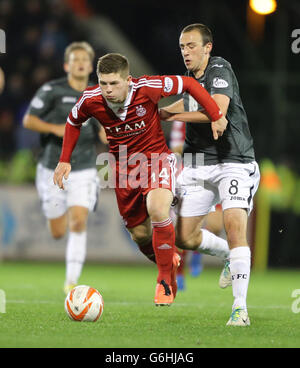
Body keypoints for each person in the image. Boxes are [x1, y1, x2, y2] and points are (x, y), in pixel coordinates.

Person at [53, 52, 228, 306]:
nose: (108, 90)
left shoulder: (148, 88)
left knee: (158, 209)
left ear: (128, 80)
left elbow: (189, 84)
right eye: (103, 83)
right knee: (139, 235)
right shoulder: (90, 99)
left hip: (158, 160)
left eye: (114, 83)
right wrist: (64, 159)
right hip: (125, 172)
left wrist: (215, 114)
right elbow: (72, 122)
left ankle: (165, 282)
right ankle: (168, 262)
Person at [160, 23, 260, 325]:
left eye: (191, 46)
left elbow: (215, 110)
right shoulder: (191, 79)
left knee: (233, 225)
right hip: (199, 162)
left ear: (208, 47)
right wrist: (162, 110)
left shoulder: (220, 69)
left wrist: (171, 115)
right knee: (185, 236)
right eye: (182, 47)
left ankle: (240, 309)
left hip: (234, 160)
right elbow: (191, 101)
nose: (186, 52)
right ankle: (229, 256)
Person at [23, 42, 107, 295]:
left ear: (90, 65)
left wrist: (109, 133)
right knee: (58, 232)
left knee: (79, 221)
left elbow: (104, 129)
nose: (80, 63)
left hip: (83, 168)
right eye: (75, 59)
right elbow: (28, 120)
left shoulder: (99, 93)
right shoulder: (51, 90)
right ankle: (59, 213)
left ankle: (71, 281)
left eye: (84, 59)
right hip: (52, 166)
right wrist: (54, 128)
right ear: (66, 65)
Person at [169, 120, 224, 290]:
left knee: (215, 225)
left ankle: (197, 252)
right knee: (182, 230)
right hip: (191, 172)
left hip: (217, 171)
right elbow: (176, 148)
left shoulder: (219, 109)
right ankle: (179, 274)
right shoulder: (182, 117)